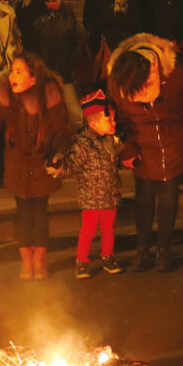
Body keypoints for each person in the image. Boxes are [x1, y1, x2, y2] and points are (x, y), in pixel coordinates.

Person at [107, 34, 183, 272]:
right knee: (145, 195)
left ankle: (164, 250)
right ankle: (143, 250)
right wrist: (128, 149)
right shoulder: (119, 79)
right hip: (141, 143)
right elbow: (119, 120)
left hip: (172, 139)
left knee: (169, 194)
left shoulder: (174, 73)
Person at [0, 54, 73, 280]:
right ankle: (26, 260)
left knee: (40, 215)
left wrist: (58, 155)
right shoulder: (7, 101)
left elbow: (61, 132)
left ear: (33, 79)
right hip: (17, 167)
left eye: (19, 72)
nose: (12, 76)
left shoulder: (49, 101)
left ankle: (39, 261)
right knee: (23, 215)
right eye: (12, 71)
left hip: (41, 167)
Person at [56, 89, 125, 279]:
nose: (114, 122)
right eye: (109, 120)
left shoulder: (111, 140)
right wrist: (59, 168)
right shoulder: (84, 144)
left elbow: (118, 158)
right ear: (93, 123)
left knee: (109, 229)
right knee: (87, 231)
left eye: (113, 119)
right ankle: (81, 260)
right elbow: (73, 165)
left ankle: (108, 256)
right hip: (91, 198)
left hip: (110, 195)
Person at [18, 0, 84, 129]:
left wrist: (72, 60)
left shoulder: (66, 10)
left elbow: (78, 36)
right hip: (45, 73)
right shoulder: (31, 12)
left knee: (76, 116)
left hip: (65, 71)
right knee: (48, 117)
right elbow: (29, 43)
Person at [82, 0, 141, 81]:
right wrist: (114, 19)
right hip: (107, 44)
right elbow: (89, 20)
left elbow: (136, 16)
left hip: (127, 44)